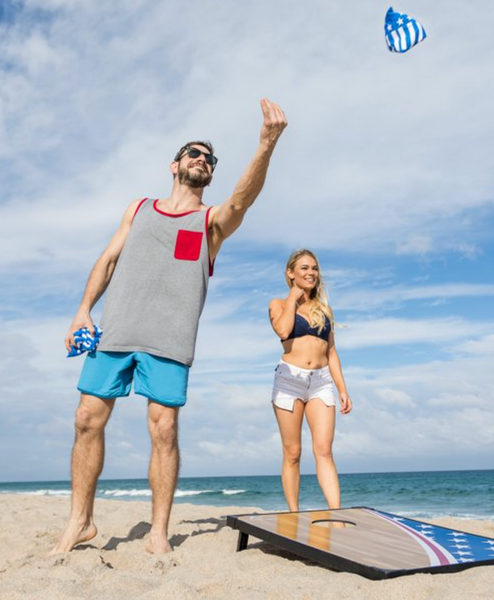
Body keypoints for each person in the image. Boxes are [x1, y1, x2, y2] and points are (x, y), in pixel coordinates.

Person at [52, 99, 287, 554]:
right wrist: (83, 311)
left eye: (209, 158)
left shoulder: (210, 223)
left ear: (211, 174)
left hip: (169, 342)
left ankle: (158, 532)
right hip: (115, 332)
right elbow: (109, 259)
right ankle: (79, 522)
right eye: (193, 153)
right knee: (86, 420)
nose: (201, 159)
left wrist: (266, 145)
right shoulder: (138, 208)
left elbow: (242, 199)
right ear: (174, 164)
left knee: (163, 430)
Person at [268, 249, 352, 512]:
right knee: (292, 453)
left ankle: (336, 513)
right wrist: (294, 296)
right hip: (289, 381)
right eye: (303, 268)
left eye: (314, 268)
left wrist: (342, 389)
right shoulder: (278, 304)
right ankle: (294, 513)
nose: (311, 273)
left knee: (324, 450)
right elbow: (282, 330)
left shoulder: (324, 310)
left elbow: (331, 352)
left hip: (321, 381)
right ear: (290, 273)